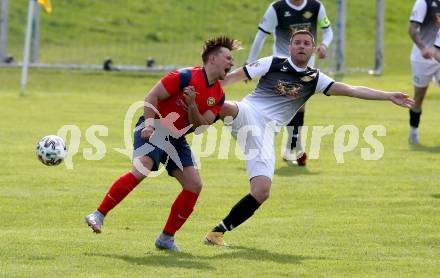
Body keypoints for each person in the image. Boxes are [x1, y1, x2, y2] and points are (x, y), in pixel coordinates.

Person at [203, 30, 414, 246]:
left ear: (313, 50)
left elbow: (352, 90)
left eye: (306, 43)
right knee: (225, 106)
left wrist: (388, 95)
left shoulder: (315, 79)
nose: (301, 46)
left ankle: (216, 234)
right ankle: (184, 125)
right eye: (297, 42)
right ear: (290, 47)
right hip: (249, 112)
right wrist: (200, 87)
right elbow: (230, 78)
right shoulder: (273, 63)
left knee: (261, 191)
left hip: (265, 134)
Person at [84, 36, 241, 252]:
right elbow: (152, 96)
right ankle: (98, 214)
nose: (232, 63)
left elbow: (201, 125)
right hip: (154, 126)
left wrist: (192, 105)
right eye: (228, 58)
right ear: (212, 59)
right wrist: (148, 125)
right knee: (142, 168)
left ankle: (166, 238)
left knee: (194, 185)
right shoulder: (184, 76)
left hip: (176, 138)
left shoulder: (219, 96)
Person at [246, 0, 333, 165]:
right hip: (282, 65)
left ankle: (291, 148)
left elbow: (328, 31)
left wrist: (324, 45)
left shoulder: (316, 7)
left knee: (296, 106)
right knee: (291, 104)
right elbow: (261, 36)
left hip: (307, 65)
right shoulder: (276, 8)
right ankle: (294, 148)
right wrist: (250, 63)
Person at [408, 0, 440, 144]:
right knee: (419, 97)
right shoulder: (423, 2)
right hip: (423, 58)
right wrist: (423, 48)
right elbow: (412, 29)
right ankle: (413, 131)